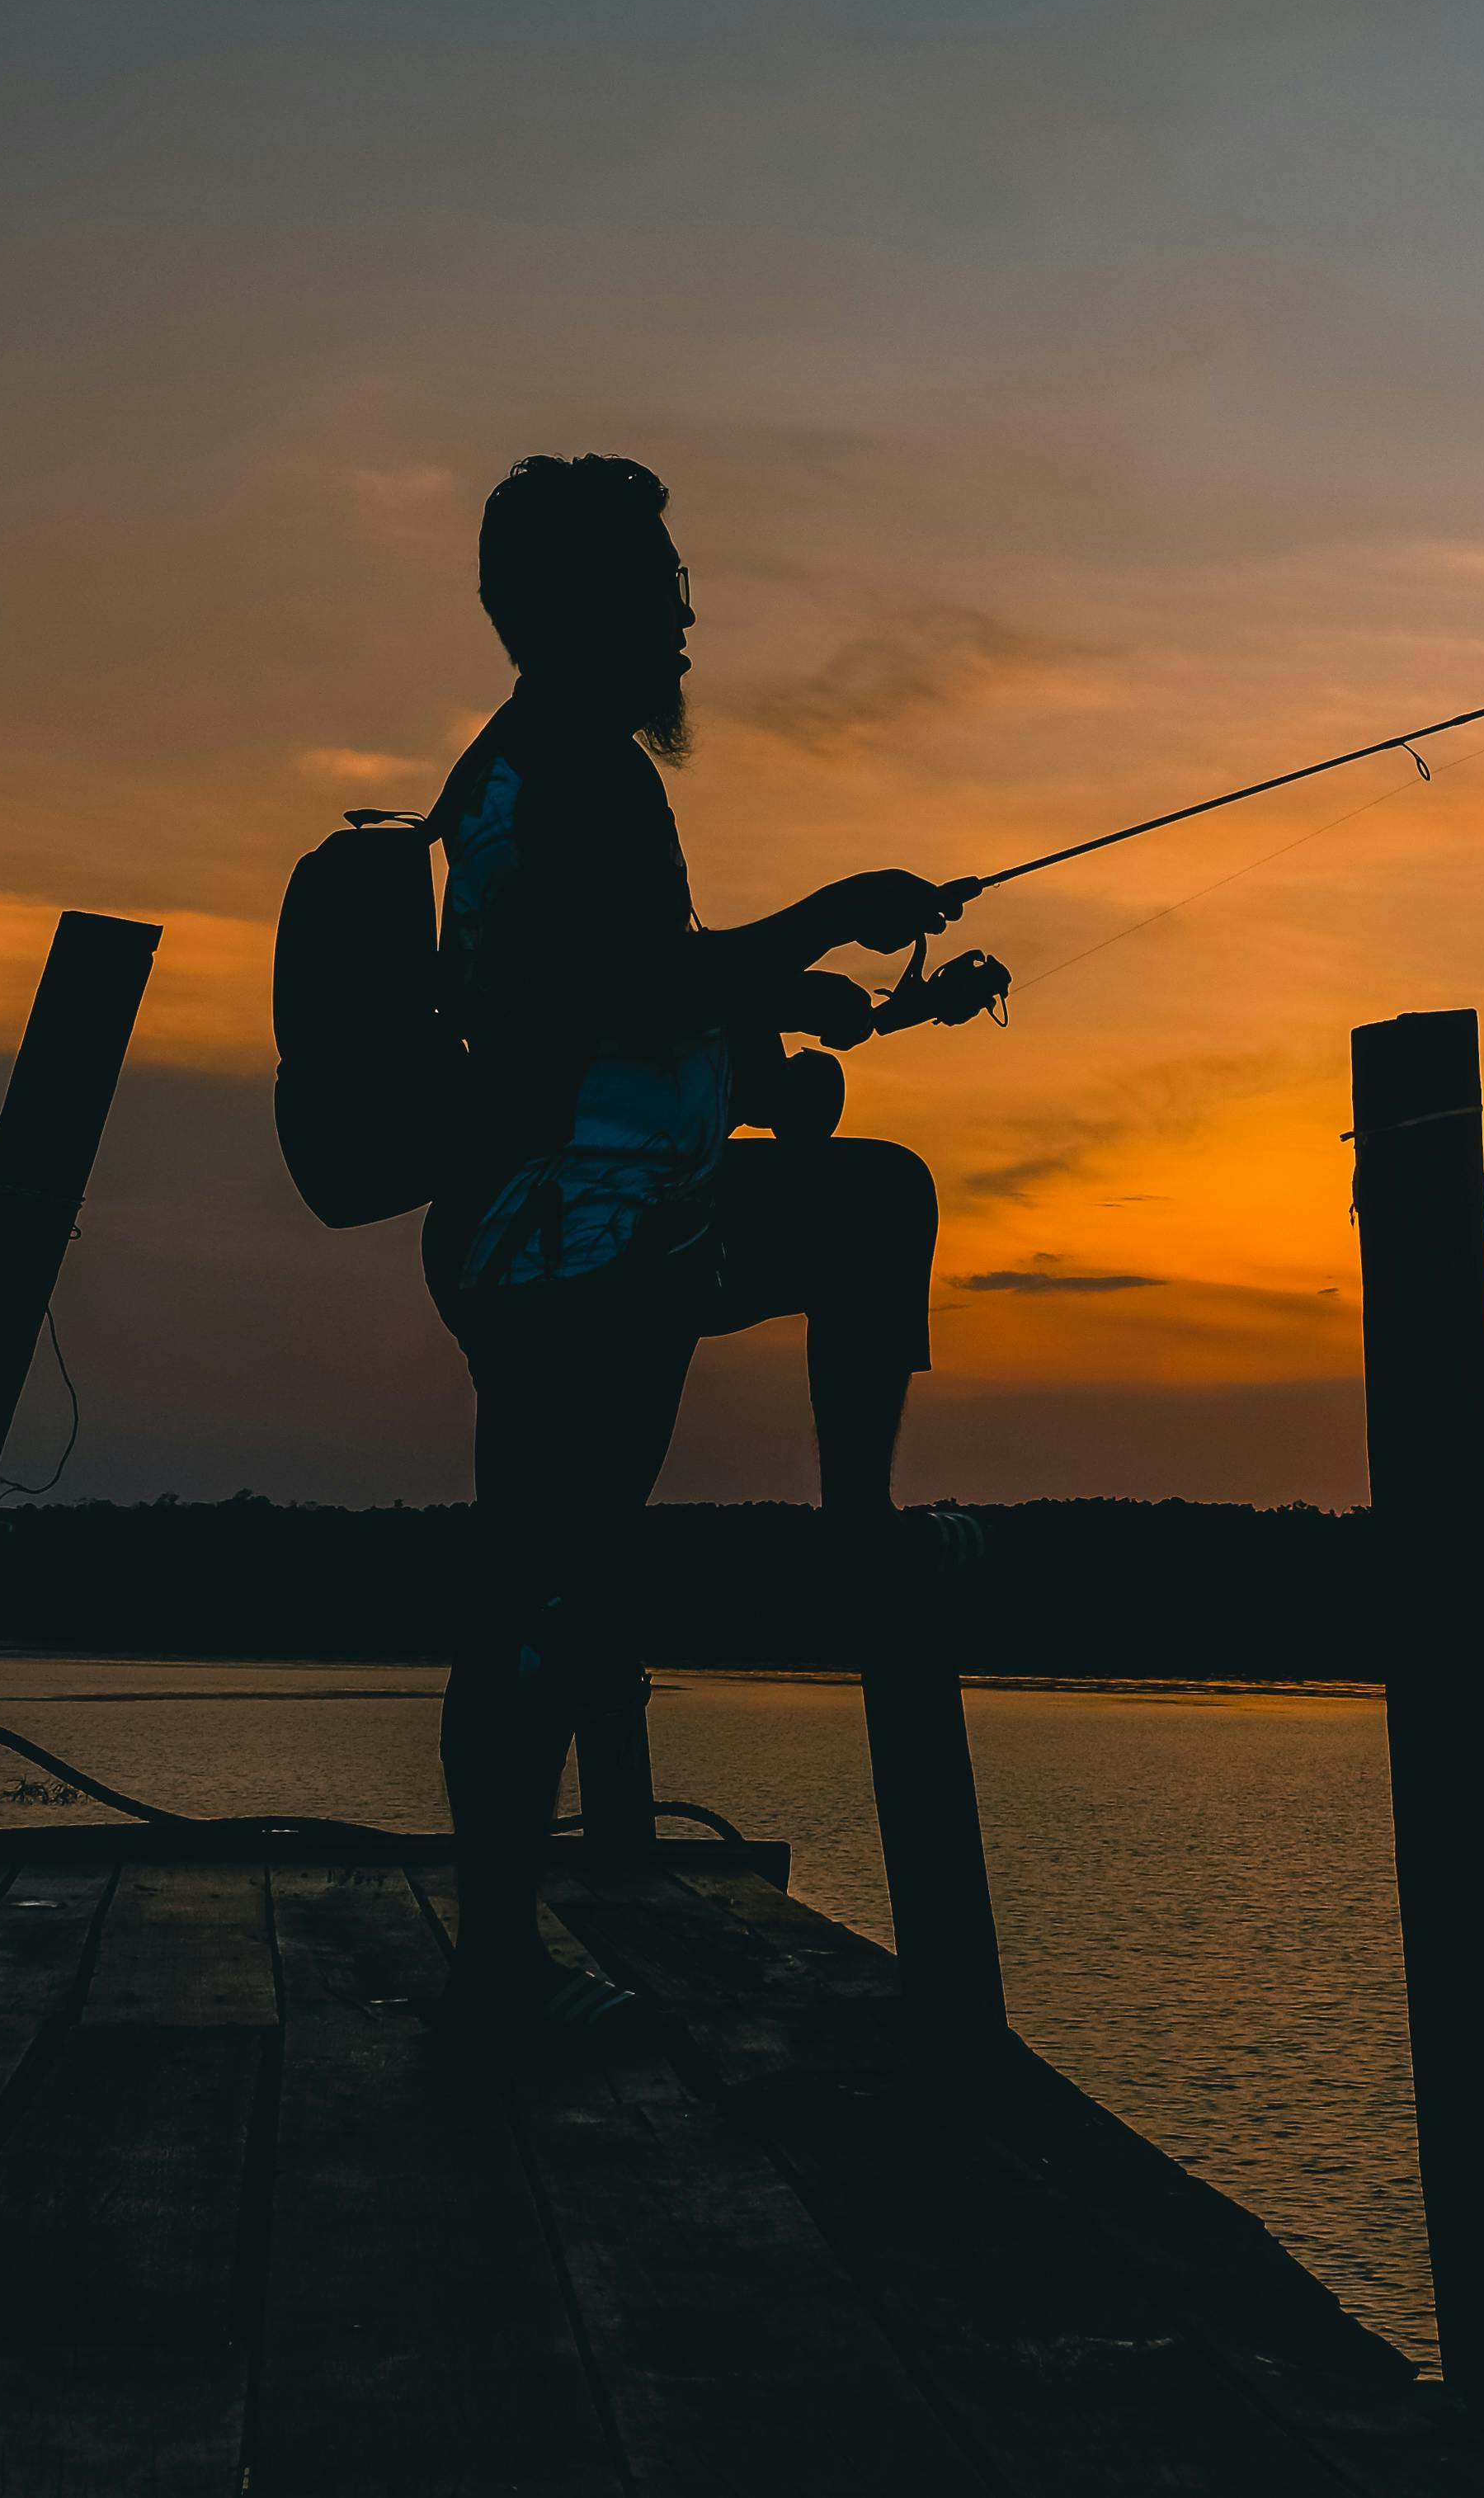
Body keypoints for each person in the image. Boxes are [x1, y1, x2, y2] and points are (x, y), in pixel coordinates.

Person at [417, 452, 986, 2038]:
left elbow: (631, 1004)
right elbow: (622, 994)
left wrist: (772, 1048)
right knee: (544, 1590)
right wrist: (824, 919)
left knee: (872, 1198)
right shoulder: (559, 772)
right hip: (566, 1255)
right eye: (658, 590)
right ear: (574, 608)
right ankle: (496, 1967)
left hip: (629, 1222)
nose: (683, 619)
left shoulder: (570, 767)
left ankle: (851, 1528)